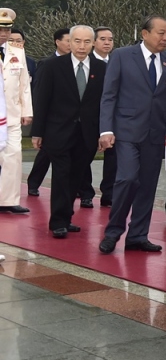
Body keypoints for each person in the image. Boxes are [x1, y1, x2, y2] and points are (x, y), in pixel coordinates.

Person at [97, 16, 166, 254]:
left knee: (148, 186)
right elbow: (109, 94)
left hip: (156, 133)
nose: (165, 38)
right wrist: (106, 129)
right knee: (127, 179)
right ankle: (113, 232)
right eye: (160, 33)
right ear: (144, 33)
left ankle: (138, 235)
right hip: (127, 130)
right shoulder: (122, 55)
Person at [31, 25, 107, 238]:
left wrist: (104, 132)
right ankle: (57, 222)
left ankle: (66, 217)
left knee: (76, 176)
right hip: (58, 132)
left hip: (87, 133)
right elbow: (42, 100)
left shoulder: (101, 69)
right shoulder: (52, 66)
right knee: (61, 175)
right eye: (77, 41)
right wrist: (37, 133)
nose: (81, 46)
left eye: (86, 42)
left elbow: (105, 103)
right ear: (69, 42)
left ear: (92, 43)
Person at [26, 26, 71, 197]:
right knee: (45, 154)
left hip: (72, 119)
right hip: (52, 120)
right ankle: (33, 183)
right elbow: (40, 94)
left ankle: (83, 190)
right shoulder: (47, 63)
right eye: (68, 41)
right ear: (57, 42)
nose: (71, 45)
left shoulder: (80, 64)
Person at [0, 9, 33, 215]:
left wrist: (27, 111)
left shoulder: (17, 51)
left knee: (13, 156)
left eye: (7, 29)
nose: (4, 33)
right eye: (1, 29)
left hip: (11, 114)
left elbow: (24, 84)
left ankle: (7, 200)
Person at [88, 26, 118, 207]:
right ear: (94, 42)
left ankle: (109, 193)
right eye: (103, 39)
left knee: (112, 158)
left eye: (110, 39)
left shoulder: (118, 60)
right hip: (90, 117)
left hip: (112, 118)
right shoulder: (87, 62)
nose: (107, 42)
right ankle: (85, 191)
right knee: (85, 156)